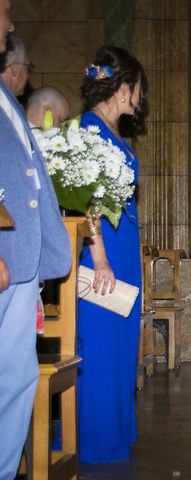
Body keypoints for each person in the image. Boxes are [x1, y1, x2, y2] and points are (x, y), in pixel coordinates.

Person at [0, 5, 71, 478]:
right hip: (6, 257)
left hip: (20, 263)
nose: (8, 26)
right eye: (3, 12)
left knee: (16, 380)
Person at [76, 45, 147, 463]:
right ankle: (97, 440)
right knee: (101, 342)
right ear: (124, 88)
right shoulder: (89, 130)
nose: (140, 98)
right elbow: (87, 200)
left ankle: (118, 427)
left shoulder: (115, 131)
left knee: (122, 342)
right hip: (102, 250)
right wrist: (98, 258)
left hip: (124, 246)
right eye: (138, 88)